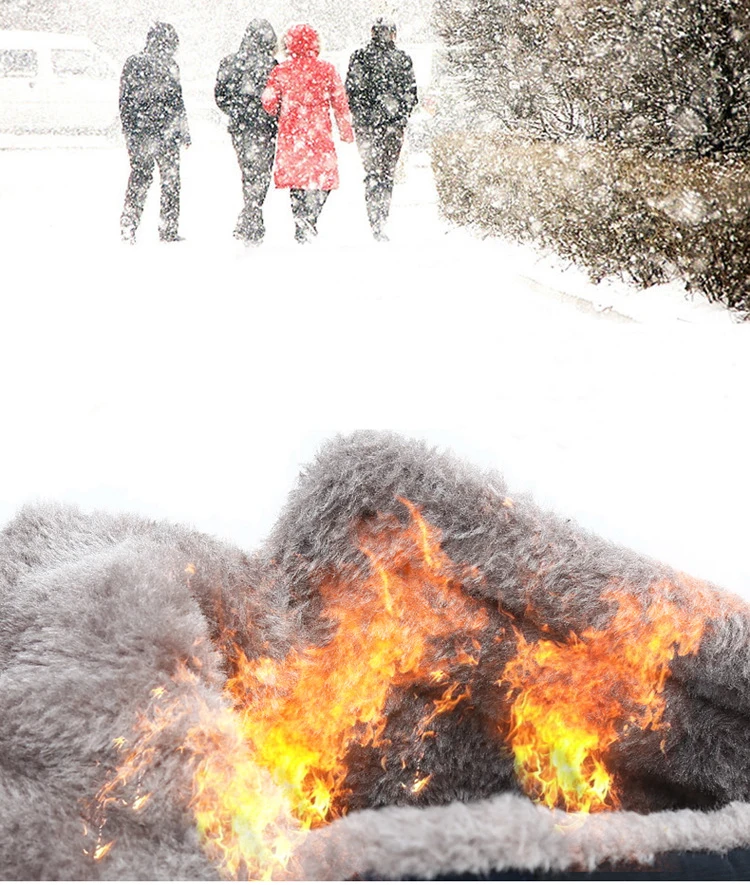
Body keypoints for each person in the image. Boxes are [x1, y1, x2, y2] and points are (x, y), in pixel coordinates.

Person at [261, 24, 354, 244]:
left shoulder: (281, 71)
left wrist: (277, 110)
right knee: (323, 178)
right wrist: (345, 131)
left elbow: (268, 101)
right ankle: (311, 216)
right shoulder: (327, 69)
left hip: (291, 132)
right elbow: (340, 103)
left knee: (297, 179)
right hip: (318, 131)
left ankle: (301, 219)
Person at [345, 19, 418, 241]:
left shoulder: (359, 57)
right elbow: (411, 95)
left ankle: (374, 217)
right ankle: (381, 218)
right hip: (393, 127)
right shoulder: (402, 59)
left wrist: (364, 116)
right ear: (393, 34)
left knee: (372, 171)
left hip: (366, 127)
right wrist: (398, 117)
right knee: (387, 172)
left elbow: (351, 92)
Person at [119, 22, 191, 243]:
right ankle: (168, 228)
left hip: (141, 132)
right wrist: (183, 130)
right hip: (166, 132)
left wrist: (129, 129)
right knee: (170, 181)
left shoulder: (133, 63)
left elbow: (125, 100)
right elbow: (177, 101)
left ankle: (129, 223)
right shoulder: (170, 65)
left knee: (140, 178)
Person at [215, 19, 279, 245]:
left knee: (249, 169)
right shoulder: (271, 65)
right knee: (261, 172)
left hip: (240, 128)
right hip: (265, 127)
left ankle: (250, 215)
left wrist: (237, 111)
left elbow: (220, 96)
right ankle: (253, 215)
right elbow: (278, 97)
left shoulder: (230, 62)